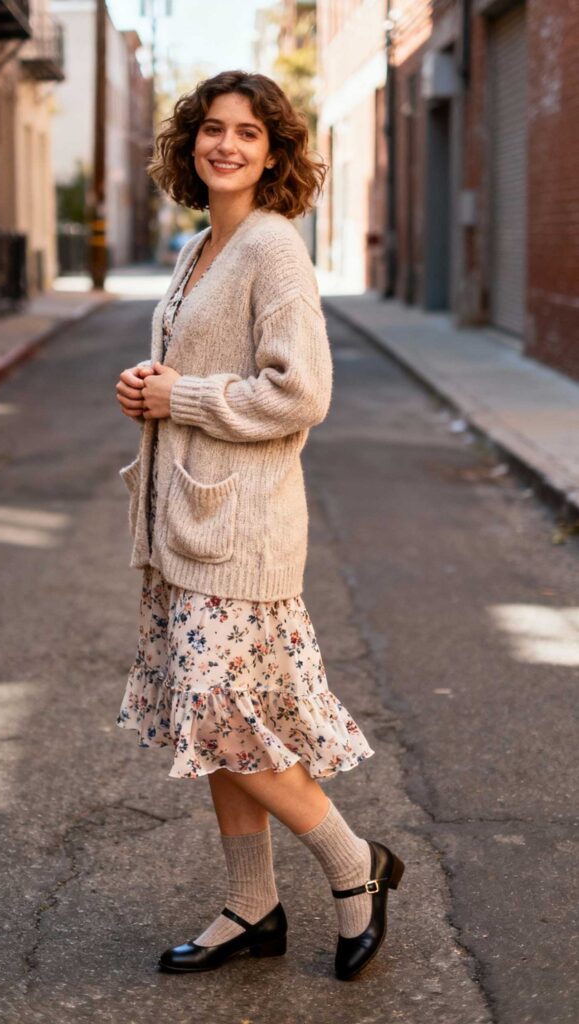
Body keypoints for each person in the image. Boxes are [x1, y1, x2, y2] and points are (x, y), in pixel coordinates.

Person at [114, 70, 404, 981]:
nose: (225, 144)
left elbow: (300, 392)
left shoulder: (273, 248)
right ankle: (252, 904)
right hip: (186, 525)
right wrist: (147, 390)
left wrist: (183, 396)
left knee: (229, 721)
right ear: (189, 142)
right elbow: (198, 371)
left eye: (246, 132)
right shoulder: (201, 245)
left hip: (240, 532)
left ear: (273, 151)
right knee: (214, 731)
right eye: (210, 129)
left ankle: (356, 867)